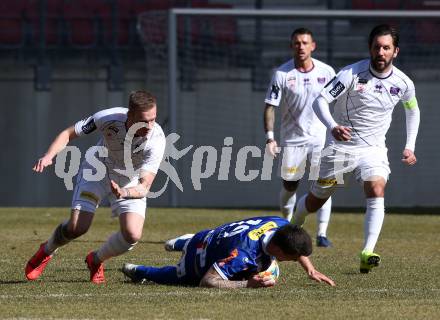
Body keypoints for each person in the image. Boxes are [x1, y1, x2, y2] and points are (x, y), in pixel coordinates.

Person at [292, 24, 420, 273]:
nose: (381, 52)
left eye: (386, 48)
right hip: (341, 149)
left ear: (396, 52)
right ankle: (292, 225)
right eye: (376, 47)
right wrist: (332, 127)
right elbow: (321, 100)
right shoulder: (350, 74)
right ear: (370, 49)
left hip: (373, 150)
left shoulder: (404, 83)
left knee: (376, 187)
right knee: (317, 199)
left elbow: (412, 109)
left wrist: (410, 146)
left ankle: (367, 251)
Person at [25, 90, 166, 283]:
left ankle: (96, 259)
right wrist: (49, 156)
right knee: (77, 228)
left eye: (153, 119)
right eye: (144, 120)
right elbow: (68, 134)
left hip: (128, 181)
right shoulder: (108, 117)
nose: (150, 126)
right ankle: (47, 250)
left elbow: (144, 187)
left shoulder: (156, 139)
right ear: (130, 115)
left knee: (132, 234)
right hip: (97, 170)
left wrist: (124, 192)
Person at [264, 27, 335, 247]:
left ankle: (322, 234)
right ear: (291, 46)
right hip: (293, 140)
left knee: (323, 184)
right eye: (297, 43)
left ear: (313, 46)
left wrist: (337, 128)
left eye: (305, 43)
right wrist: (270, 137)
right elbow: (270, 106)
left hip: (320, 139)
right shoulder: (282, 74)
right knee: (290, 185)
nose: (301, 46)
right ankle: (285, 225)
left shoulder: (327, 72)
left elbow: (340, 101)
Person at [121, 216, 335, 288]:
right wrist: (247, 284)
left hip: (210, 236)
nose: (294, 260)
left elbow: (294, 245)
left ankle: (184, 241)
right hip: (198, 262)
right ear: (278, 249)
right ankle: (140, 270)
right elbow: (209, 281)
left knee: (204, 241)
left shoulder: (280, 224)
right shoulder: (242, 255)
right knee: (178, 277)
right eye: (292, 257)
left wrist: (310, 269)